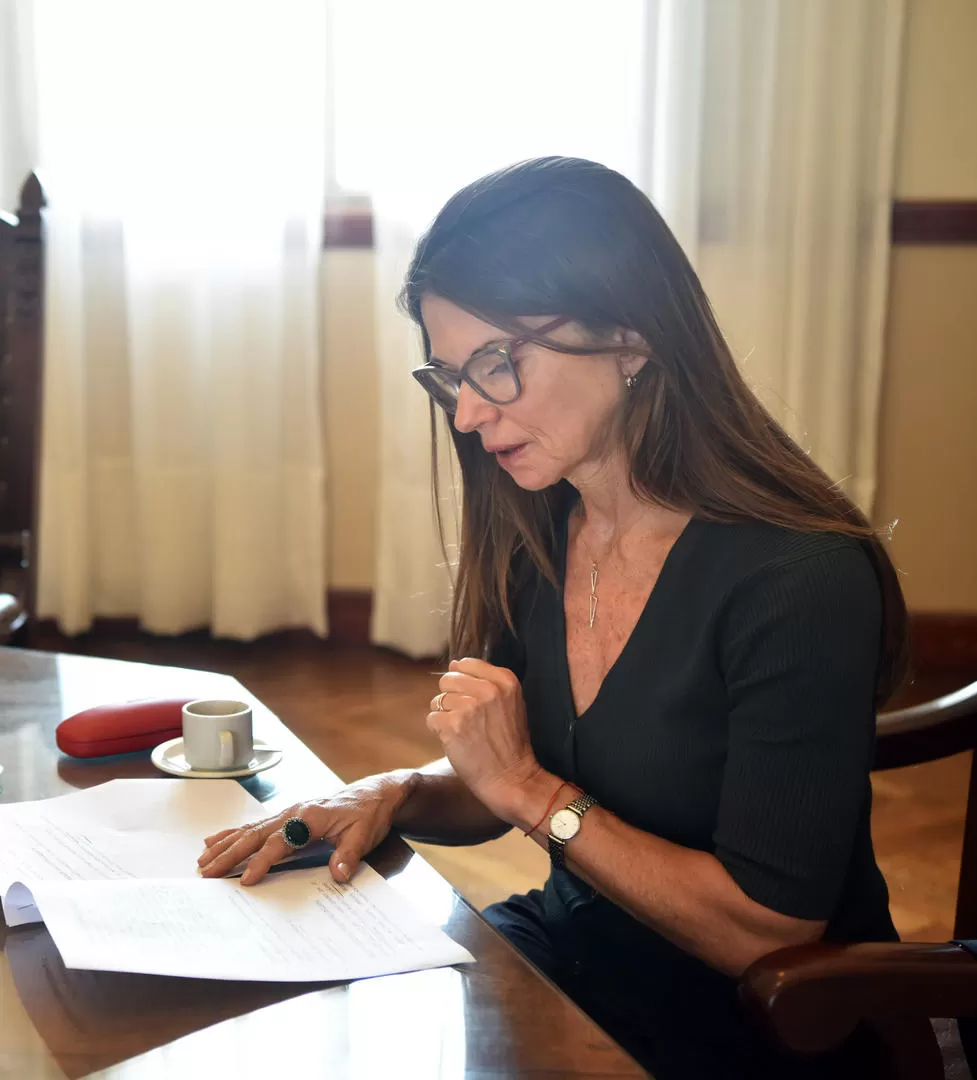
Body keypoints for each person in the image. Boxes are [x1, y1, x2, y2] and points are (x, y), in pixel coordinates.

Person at [198, 157, 908, 1079]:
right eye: (449, 376)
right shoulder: (542, 528)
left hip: (757, 1031)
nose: (466, 414)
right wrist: (393, 793)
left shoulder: (798, 579)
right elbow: (504, 781)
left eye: (496, 364)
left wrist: (534, 794)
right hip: (572, 966)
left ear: (630, 334)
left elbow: (761, 930)